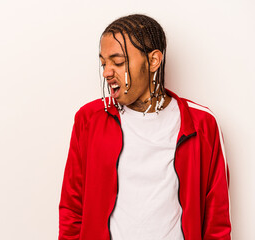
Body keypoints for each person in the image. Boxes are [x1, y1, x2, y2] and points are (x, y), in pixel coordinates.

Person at [58, 14, 231, 240]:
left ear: (153, 61)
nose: (107, 72)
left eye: (118, 62)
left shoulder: (202, 124)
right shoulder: (89, 120)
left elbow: (216, 220)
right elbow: (72, 210)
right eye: (104, 63)